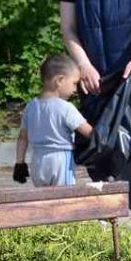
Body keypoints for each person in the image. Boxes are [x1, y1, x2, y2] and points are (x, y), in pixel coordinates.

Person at [14, 54, 94, 187]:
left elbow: (22, 137)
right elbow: (89, 132)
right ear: (60, 80)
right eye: (74, 83)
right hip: (60, 159)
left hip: (38, 160)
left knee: (43, 198)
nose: (75, 89)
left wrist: (19, 163)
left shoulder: (31, 106)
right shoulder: (66, 107)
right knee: (64, 196)